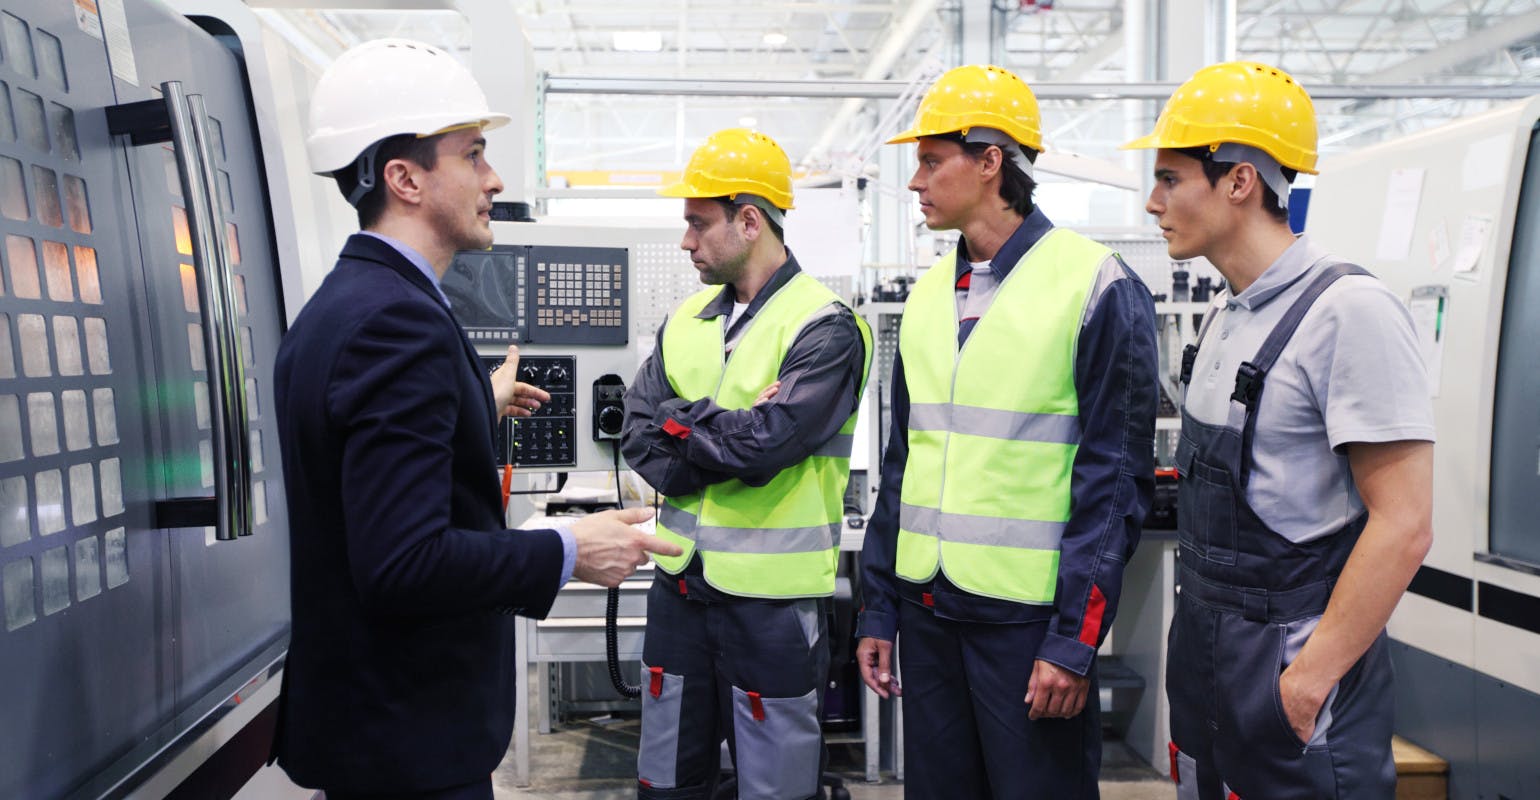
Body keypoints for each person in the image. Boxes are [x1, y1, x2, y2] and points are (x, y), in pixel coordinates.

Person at [271, 39, 679, 800]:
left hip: (374, 728)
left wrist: (468, 403)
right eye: (473, 155)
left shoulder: (347, 305)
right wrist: (569, 548)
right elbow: (404, 563)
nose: (495, 180)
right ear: (405, 179)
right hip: (408, 741)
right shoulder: (397, 326)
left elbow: (355, 463)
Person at [1123, 61, 1435, 798]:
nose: (1152, 202)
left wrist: (1307, 681)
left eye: (1169, 179)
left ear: (1239, 181)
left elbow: (1405, 524)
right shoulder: (1227, 313)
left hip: (1292, 674)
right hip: (1206, 660)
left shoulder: (1348, 313)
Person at [856, 65, 1158, 798]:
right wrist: (878, 607)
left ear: (991, 161)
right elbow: (904, 461)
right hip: (929, 615)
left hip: (1027, 628)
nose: (916, 181)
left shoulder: (1095, 285)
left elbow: (1115, 482)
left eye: (932, 162)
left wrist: (1074, 638)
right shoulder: (928, 295)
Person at [620, 127, 872, 800]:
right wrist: (724, 431)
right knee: (665, 782)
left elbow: (767, 443)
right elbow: (637, 433)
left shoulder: (825, 326)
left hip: (772, 605)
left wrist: (682, 421)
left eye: (699, 224)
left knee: (775, 789)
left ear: (750, 221)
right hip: (679, 590)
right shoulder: (685, 321)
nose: (686, 241)